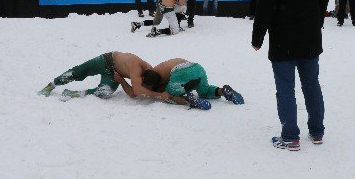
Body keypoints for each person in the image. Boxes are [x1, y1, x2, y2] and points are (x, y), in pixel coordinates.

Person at [252, 0, 329, 151]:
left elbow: (264, 5)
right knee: (311, 84)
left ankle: (290, 136)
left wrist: (258, 38)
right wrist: (316, 23)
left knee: (285, 87)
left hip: (283, 37)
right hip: (310, 37)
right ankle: (317, 132)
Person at [37, 52, 186, 104]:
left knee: (105, 93)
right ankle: (52, 85)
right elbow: (137, 92)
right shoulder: (137, 69)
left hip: (115, 74)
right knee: (78, 72)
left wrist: (121, 81)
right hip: (106, 60)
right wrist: (161, 95)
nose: (146, 89)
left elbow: (134, 93)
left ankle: (75, 93)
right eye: (146, 86)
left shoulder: (150, 75)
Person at [147, 58, 244, 110]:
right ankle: (223, 91)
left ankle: (190, 100)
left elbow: (163, 89)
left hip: (181, 73)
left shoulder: (155, 75)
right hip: (197, 68)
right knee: (205, 91)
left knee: (168, 96)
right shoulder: (159, 67)